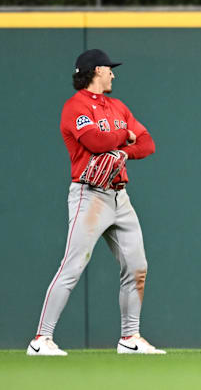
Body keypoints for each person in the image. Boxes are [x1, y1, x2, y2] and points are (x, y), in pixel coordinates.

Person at [27, 49, 164, 356]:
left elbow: (148, 143)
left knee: (137, 267)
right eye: (109, 69)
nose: (113, 73)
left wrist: (126, 151)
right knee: (72, 266)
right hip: (89, 197)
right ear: (95, 70)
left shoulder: (117, 106)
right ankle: (41, 339)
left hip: (119, 197)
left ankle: (130, 337)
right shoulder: (74, 107)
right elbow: (96, 142)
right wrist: (125, 135)